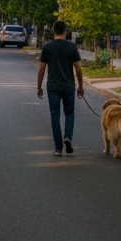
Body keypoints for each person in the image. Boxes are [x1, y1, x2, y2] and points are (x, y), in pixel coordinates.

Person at [37, 19, 84, 156]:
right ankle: (68, 136)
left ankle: (58, 148)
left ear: (53, 31)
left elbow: (41, 68)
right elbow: (78, 68)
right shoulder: (71, 46)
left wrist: (39, 87)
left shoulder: (47, 47)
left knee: (55, 116)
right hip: (68, 86)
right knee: (69, 113)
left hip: (53, 87)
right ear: (65, 31)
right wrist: (80, 86)